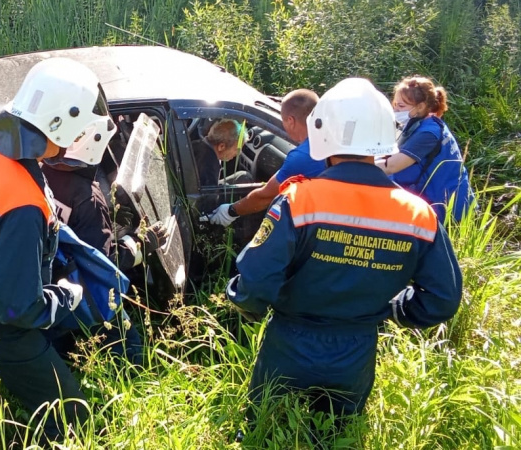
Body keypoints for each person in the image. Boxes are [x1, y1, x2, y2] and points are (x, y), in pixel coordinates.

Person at [226, 78, 462, 437]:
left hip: (289, 341)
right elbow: (443, 299)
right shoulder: (419, 215)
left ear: (322, 132)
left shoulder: (298, 201)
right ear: (386, 136)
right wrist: (397, 309)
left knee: (263, 433)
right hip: (357, 349)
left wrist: (244, 300)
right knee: (336, 437)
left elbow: (255, 282)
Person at [0, 57, 116, 441]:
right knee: (73, 416)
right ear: (57, 122)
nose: (73, 142)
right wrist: (67, 295)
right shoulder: (21, 206)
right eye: (74, 130)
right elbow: (19, 308)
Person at [42, 155, 169, 365]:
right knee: (128, 347)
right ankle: (133, 376)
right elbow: (102, 265)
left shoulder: (42, 170)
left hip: (51, 279)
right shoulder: (87, 197)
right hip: (87, 291)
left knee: (58, 341)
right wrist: (141, 243)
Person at [208, 89, 325, 226]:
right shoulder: (331, 141)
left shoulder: (303, 156)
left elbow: (265, 196)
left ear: (290, 120)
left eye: (282, 120)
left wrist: (230, 211)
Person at [377, 76, 475, 223]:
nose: (395, 110)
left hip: (450, 210)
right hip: (432, 204)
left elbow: (392, 165)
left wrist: (354, 166)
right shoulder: (415, 124)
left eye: (401, 106)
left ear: (421, 107)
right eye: (395, 104)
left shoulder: (428, 133)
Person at [194, 119, 243, 187]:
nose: (238, 153)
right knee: (244, 177)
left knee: (242, 176)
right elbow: (209, 196)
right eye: (236, 149)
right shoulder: (208, 165)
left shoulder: (199, 145)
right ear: (221, 146)